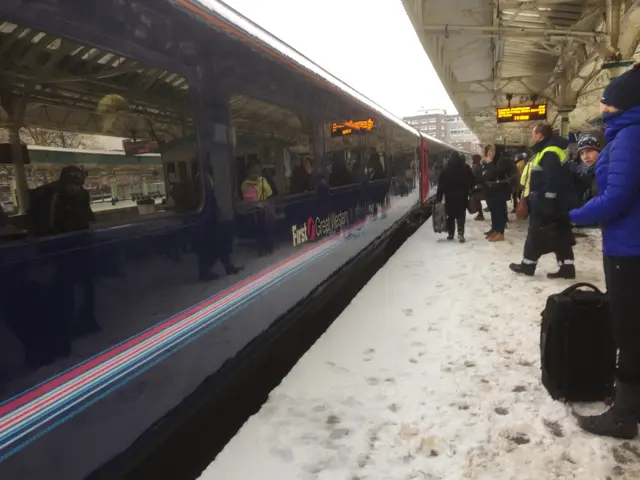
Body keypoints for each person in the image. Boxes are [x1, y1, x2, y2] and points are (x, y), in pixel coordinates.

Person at [568, 64, 640, 439]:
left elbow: (616, 199)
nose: (601, 105)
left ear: (624, 104)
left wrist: (572, 215)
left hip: (629, 251)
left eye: (606, 101)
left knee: (628, 332)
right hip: (631, 245)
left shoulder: (630, 137)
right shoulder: (628, 135)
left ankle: (624, 417)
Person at [509, 123, 575, 278]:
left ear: (539, 135)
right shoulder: (549, 150)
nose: (532, 137)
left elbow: (552, 180)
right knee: (561, 234)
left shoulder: (549, 152)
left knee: (535, 233)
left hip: (547, 203)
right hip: (556, 203)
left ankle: (527, 266)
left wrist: (547, 205)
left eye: (533, 133)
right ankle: (567, 268)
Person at [436, 152, 474, 242]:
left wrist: (439, 197)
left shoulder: (446, 170)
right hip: (462, 196)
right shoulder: (464, 168)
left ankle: (450, 233)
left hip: (450, 197)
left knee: (450, 215)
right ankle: (460, 233)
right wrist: (470, 190)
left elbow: (441, 185)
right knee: (461, 214)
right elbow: (471, 181)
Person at [482, 144, 510, 242]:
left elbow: (492, 175)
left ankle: (500, 233)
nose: (490, 153)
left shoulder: (500, 161)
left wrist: (489, 164)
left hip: (499, 192)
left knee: (499, 212)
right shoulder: (492, 162)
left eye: (492, 151)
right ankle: (496, 230)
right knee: (494, 212)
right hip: (493, 192)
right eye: (488, 151)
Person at [470, 154, 485, 221]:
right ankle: (480, 214)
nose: (473, 160)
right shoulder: (480, 166)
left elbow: (473, 176)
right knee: (477, 201)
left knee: (477, 200)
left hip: (476, 186)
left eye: (474, 158)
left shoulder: (475, 166)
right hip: (479, 185)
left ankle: (480, 215)